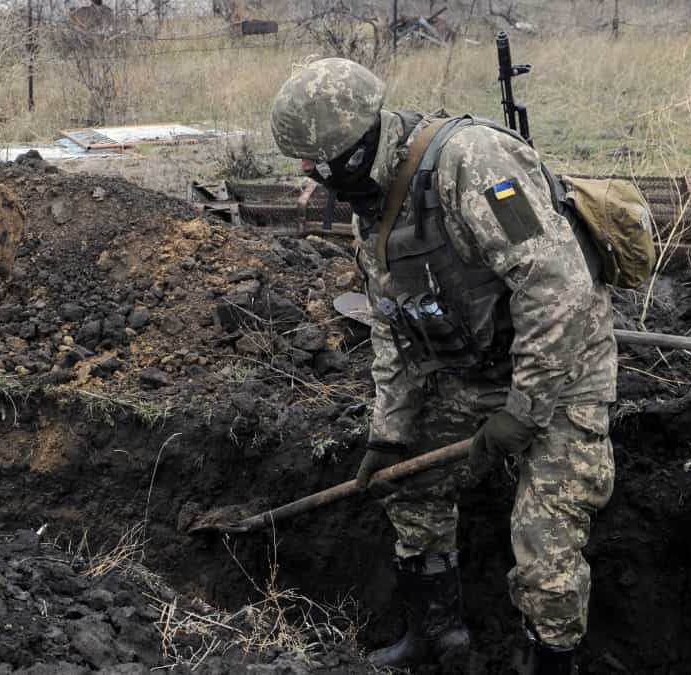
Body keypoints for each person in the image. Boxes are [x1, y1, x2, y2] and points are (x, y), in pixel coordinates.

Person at [270, 59, 616, 675]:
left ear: (351, 149)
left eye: (314, 164)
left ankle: (550, 661)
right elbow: (391, 325)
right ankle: (437, 636)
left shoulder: (474, 163)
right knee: (410, 484)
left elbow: (556, 287)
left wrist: (525, 410)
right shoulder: (372, 206)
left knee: (546, 549)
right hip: (471, 370)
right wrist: (390, 431)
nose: (306, 175)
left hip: (561, 373)